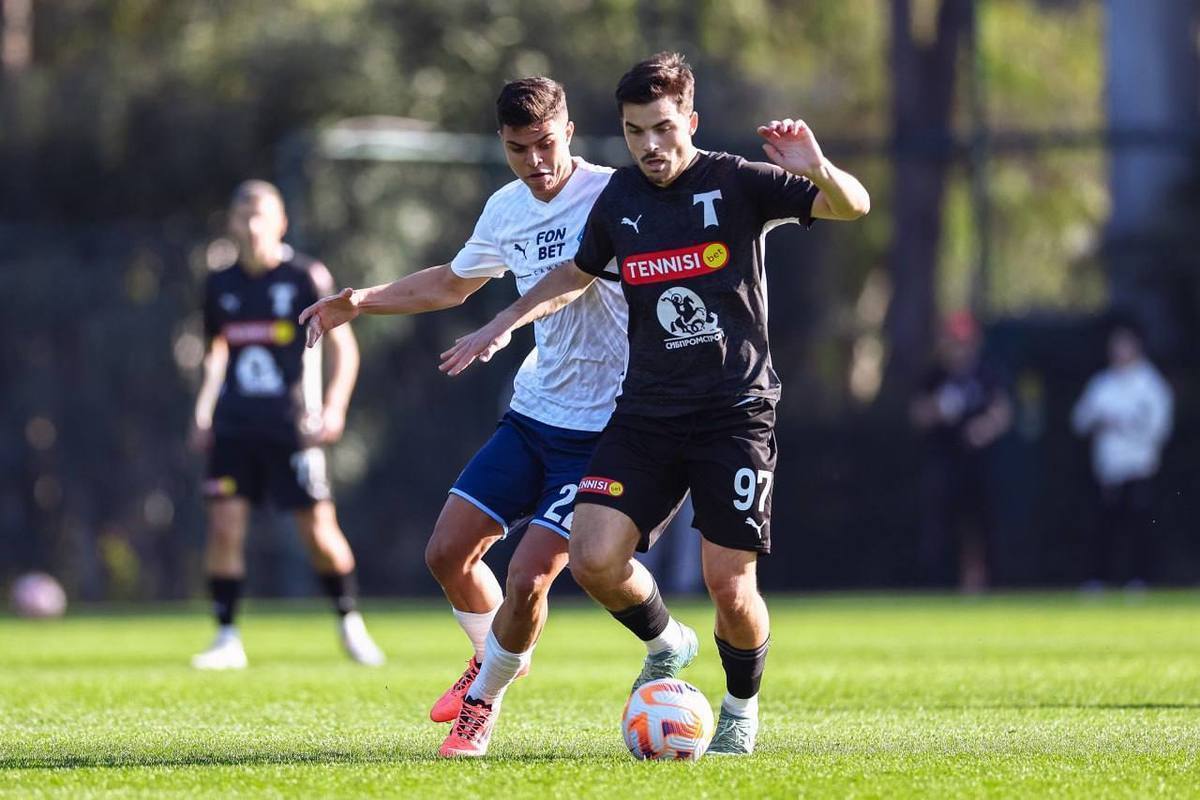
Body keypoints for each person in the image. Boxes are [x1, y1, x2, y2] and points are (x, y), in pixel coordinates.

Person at [440, 52, 870, 756]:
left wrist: (817, 167)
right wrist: (503, 323)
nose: (650, 145)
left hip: (735, 412)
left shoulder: (736, 181)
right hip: (645, 413)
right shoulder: (619, 200)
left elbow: (853, 206)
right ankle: (666, 644)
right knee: (592, 559)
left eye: (663, 128)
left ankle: (740, 709)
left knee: (729, 586)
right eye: (635, 131)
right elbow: (574, 275)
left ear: (690, 122)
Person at [300, 78, 629, 757]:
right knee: (447, 553)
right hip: (535, 414)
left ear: (569, 132)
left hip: (604, 428)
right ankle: (497, 655)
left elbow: (576, 281)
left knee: (529, 578)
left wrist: (502, 324)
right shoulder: (506, 209)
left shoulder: (613, 195)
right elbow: (453, 282)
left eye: (545, 144)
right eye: (517, 149)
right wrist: (360, 301)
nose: (535, 162)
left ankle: (483, 702)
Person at [190, 180, 385, 669]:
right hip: (234, 426)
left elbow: (344, 348)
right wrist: (203, 410)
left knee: (318, 532)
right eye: (243, 216)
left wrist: (334, 408)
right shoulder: (219, 284)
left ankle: (350, 622)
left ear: (281, 223)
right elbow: (214, 352)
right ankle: (226, 636)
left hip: (292, 429)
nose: (252, 226)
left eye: (261, 215)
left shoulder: (304, 277)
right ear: (232, 223)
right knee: (224, 527)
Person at [910, 311, 1012, 593]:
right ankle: (939, 581)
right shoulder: (935, 375)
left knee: (981, 525)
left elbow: (1003, 412)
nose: (958, 350)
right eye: (953, 343)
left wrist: (982, 429)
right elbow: (916, 414)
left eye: (963, 343)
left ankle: (981, 582)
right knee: (941, 523)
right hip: (944, 462)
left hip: (980, 464)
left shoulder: (986, 373)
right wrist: (938, 410)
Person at [1071, 317, 1172, 587]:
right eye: (1115, 347)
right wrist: (1101, 420)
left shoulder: (1150, 384)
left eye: (1124, 346)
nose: (1119, 352)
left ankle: (1140, 579)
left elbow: (1159, 427)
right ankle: (1098, 579)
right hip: (1108, 469)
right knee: (1104, 527)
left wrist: (1126, 425)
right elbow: (1079, 420)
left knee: (1139, 526)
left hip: (1139, 467)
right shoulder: (1102, 383)